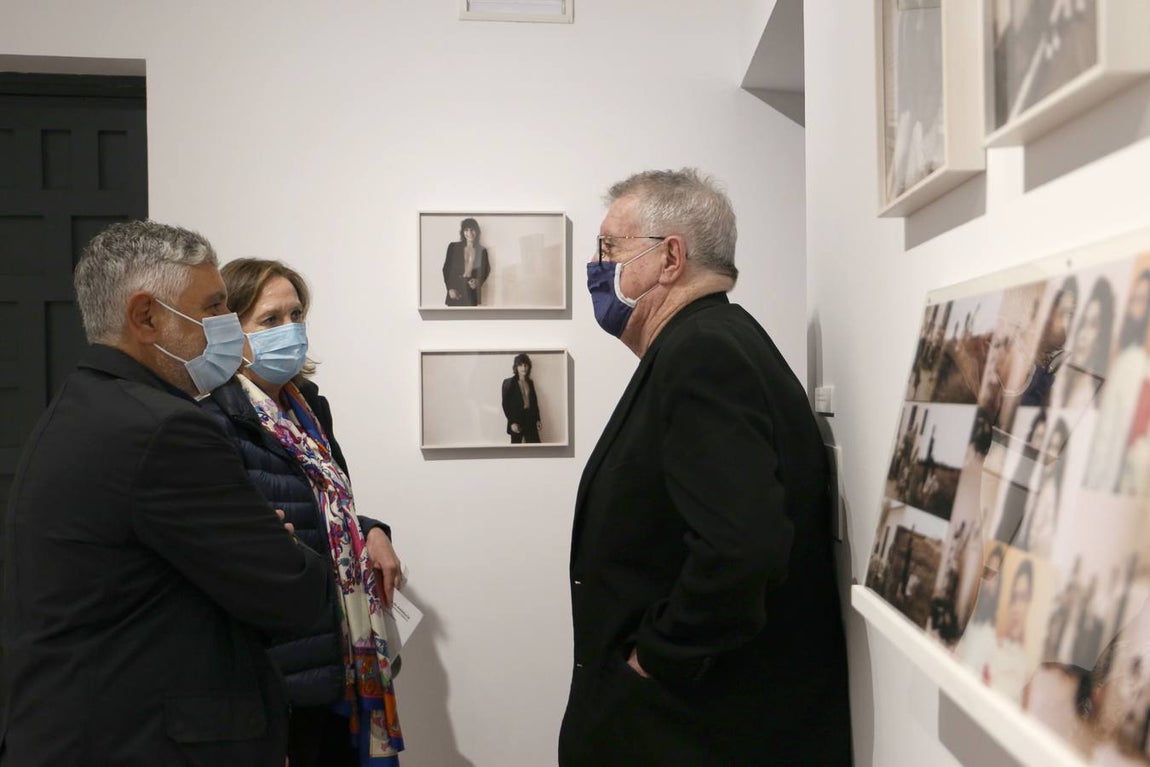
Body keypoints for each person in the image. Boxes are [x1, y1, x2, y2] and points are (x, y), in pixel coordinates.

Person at [0, 221, 335, 766]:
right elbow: (293, 592)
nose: (226, 325)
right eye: (212, 307)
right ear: (146, 317)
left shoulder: (87, 403)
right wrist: (281, 543)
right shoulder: (165, 429)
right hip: (146, 740)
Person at [559, 169, 851, 766]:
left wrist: (654, 659)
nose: (596, 267)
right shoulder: (709, 341)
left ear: (670, 257)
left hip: (696, 726)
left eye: (609, 249)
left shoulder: (704, 351)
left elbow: (742, 546)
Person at [199, 258, 404, 767]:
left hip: (341, 652)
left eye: (296, 315)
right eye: (270, 320)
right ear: (230, 331)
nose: (289, 331)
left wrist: (370, 530)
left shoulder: (308, 407)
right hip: (278, 664)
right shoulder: (211, 421)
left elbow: (326, 505)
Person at [442, 217, 490, 306]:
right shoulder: (453, 247)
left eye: (472, 230)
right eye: (466, 230)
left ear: (477, 231)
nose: (469, 233)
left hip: (471, 292)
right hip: (455, 291)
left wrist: (478, 281)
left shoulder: (482, 250)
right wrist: (450, 288)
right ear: (462, 232)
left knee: (471, 319)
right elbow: (446, 269)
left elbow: (486, 270)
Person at [500, 352, 542, 444]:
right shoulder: (509, 383)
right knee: (516, 451)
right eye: (520, 365)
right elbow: (505, 404)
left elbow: (534, 403)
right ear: (516, 367)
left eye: (525, 365)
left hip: (530, 419)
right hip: (516, 420)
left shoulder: (530, 383)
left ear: (529, 366)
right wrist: (512, 422)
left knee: (537, 448)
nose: (523, 368)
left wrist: (538, 419)